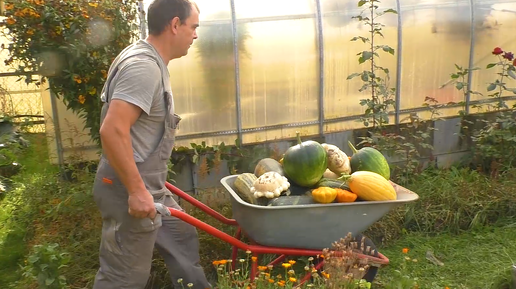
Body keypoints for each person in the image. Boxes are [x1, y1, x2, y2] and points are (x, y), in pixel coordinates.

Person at [91, 0, 212, 288]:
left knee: (180, 234)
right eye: (193, 26)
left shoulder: (145, 56)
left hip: (148, 185)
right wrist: (136, 191)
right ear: (174, 25)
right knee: (124, 277)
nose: (195, 35)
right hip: (127, 189)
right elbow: (112, 130)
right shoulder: (144, 68)